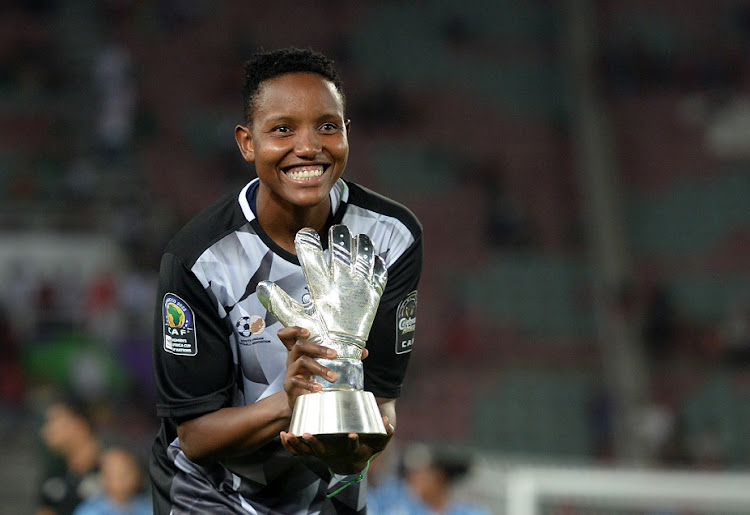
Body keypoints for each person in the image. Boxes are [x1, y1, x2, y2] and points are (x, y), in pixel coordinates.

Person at [149, 47, 423, 513]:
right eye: (282, 129)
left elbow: (379, 405)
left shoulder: (391, 237)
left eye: (327, 126)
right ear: (246, 142)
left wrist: (357, 447)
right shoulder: (200, 259)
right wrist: (289, 401)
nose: (309, 146)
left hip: (324, 490)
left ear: (347, 134)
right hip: (209, 493)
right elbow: (195, 437)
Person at [37, 399, 102, 515]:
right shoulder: (54, 475)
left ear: (79, 425)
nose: (45, 431)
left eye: (53, 421)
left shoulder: (113, 469)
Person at [73, 446, 152, 515]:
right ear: (102, 477)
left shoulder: (148, 508)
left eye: (124, 472)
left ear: (137, 475)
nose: (119, 479)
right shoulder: (88, 512)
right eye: (112, 472)